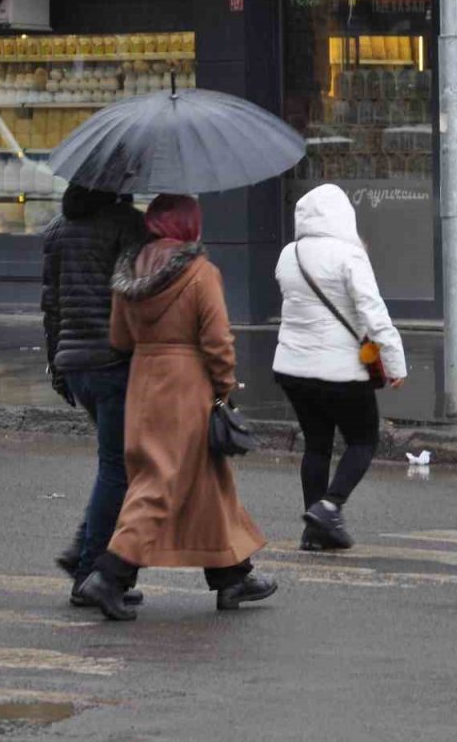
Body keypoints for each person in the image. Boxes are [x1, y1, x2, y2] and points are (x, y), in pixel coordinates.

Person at [77, 194, 275, 620]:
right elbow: (218, 340)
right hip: (186, 385)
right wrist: (224, 388)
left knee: (208, 480)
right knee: (158, 482)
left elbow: (119, 338)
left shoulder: (128, 272)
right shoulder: (201, 273)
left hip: (144, 381)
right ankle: (109, 575)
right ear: (190, 227)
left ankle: (232, 574)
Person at [272, 184, 407, 551]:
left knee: (316, 445)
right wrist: (395, 361)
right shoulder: (349, 255)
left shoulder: (289, 254)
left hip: (292, 368)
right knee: (363, 441)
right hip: (340, 371)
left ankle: (314, 530)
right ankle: (330, 506)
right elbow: (373, 315)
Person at [41, 184, 146, 608]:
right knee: (118, 469)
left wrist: (56, 364)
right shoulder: (127, 224)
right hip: (113, 362)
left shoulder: (58, 229)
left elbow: (50, 304)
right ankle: (89, 571)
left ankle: (83, 556)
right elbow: (136, 295)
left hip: (74, 361)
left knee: (116, 467)